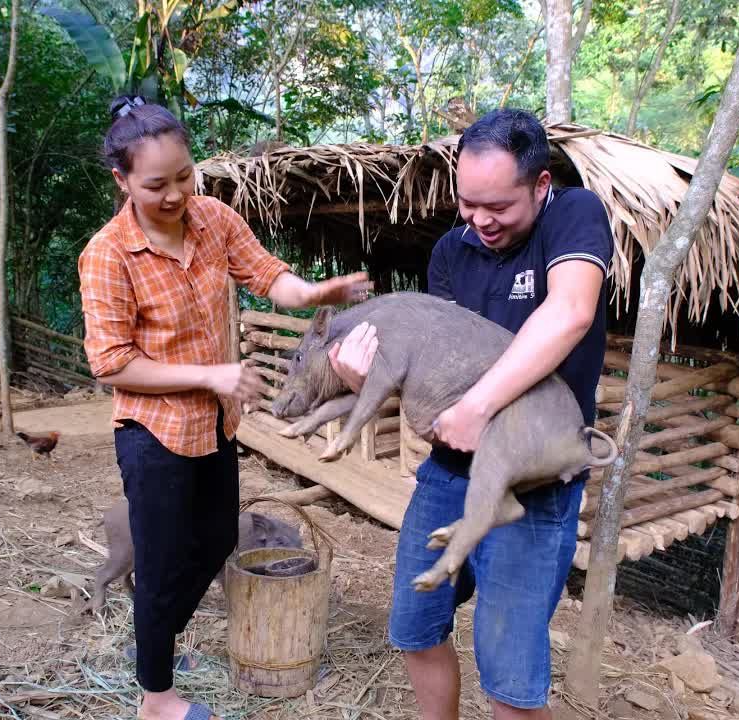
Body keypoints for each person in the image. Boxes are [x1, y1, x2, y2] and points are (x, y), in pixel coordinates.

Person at [78, 95, 372, 720]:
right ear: (122, 181)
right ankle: (156, 698)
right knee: (158, 564)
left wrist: (316, 291)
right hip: (152, 433)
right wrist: (210, 374)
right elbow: (111, 363)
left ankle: (152, 648)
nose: (176, 194)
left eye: (184, 176)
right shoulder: (107, 255)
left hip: (215, 427)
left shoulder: (213, 219)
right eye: (156, 184)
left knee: (213, 542)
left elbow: (269, 277)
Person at [328, 109, 614, 720]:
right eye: (467, 203)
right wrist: (365, 382)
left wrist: (480, 405)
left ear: (539, 186)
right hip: (448, 474)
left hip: (532, 484)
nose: (480, 220)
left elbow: (569, 314)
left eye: (499, 207)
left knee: (509, 678)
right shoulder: (451, 253)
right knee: (416, 628)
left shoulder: (574, 215)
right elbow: (432, 368)